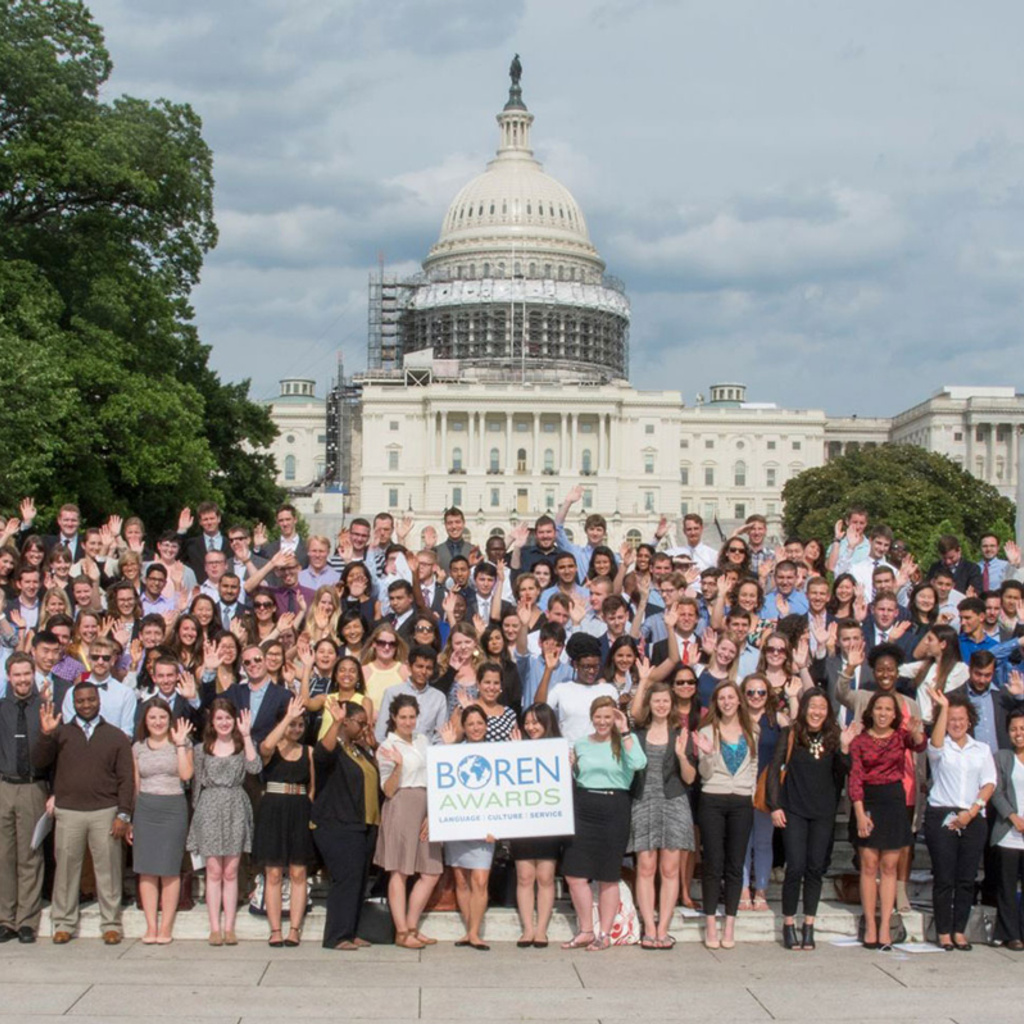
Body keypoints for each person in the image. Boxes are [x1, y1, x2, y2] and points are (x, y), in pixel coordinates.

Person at [33, 681, 134, 945]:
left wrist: (123, 814)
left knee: (109, 871)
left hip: (105, 811)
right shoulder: (60, 732)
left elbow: (126, 779)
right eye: (80, 701)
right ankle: (63, 923)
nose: (86, 705)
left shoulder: (115, 736)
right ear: (73, 703)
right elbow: (40, 762)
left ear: (98, 700)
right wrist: (45, 735)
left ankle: (111, 923)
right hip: (69, 812)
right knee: (66, 870)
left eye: (90, 700)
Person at [768, 688, 854, 951]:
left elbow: (844, 771)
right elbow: (774, 770)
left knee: (815, 868)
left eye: (822, 707)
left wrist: (845, 748)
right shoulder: (791, 734)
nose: (816, 712)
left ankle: (809, 924)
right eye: (812, 706)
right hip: (794, 809)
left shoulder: (833, 737)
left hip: (823, 812)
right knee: (795, 867)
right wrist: (775, 806)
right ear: (804, 708)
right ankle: (789, 923)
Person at [561, 695, 647, 951]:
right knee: (574, 874)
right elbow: (577, 776)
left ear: (615, 718)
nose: (602, 721)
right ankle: (586, 929)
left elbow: (640, 763)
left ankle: (605, 934)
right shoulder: (580, 744)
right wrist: (571, 767)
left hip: (614, 807)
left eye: (607, 717)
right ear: (591, 717)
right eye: (598, 717)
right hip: (584, 807)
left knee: (608, 875)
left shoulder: (626, 742)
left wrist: (625, 730)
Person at [849, 691, 926, 950]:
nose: (883, 713)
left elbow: (920, 745)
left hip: (894, 800)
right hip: (868, 802)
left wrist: (916, 733)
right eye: (879, 708)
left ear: (895, 714)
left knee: (890, 866)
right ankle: (870, 924)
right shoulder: (859, 741)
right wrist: (859, 813)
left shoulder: (899, 737)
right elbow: (856, 778)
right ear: (871, 711)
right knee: (869, 864)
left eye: (888, 709)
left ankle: (885, 926)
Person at [923, 688, 996, 951]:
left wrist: (972, 811)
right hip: (942, 813)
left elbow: (989, 782)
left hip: (973, 815)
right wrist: (943, 708)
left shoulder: (982, 749)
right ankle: (943, 930)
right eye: (952, 719)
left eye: (961, 718)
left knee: (966, 878)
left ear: (970, 720)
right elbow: (936, 745)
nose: (957, 723)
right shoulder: (941, 748)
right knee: (944, 876)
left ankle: (959, 930)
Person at [187, 700, 262, 946]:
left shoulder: (242, 746)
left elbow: (255, 767)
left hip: (235, 804)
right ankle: (214, 927)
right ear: (212, 721)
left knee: (230, 871)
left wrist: (247, 735)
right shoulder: (201, 749)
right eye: (219, 718)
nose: (224, 723)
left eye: (228, 718)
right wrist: (197, 817)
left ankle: (229, 927)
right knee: (213, 870)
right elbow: (195, 783)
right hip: (209, 806)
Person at [630, 680, 696, 949]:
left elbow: (690, 779)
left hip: (674, 802)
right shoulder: (638, 733)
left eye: (665, 700)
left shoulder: (680, 732)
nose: (660, 704)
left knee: (669, 869)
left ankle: (663, 928)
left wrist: (681, 756)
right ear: (649, 703)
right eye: (655, 700)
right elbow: (633, 714)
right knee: (645, 868)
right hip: (643, 801)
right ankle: (648, 926)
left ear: (671, 704)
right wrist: (644, 682)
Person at [374, 694, 443, 949]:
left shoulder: (423, 741)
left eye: (412, 717)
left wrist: (431, 813)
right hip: (401, 804)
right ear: (393, 718)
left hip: (425, 805)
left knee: (431, 870)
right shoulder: (386, 747)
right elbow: (388, 790)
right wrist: (398, 767)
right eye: (403, 717)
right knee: (400, 870)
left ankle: (412, 925)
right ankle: (401, 931)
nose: (407, 722)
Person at [693, 679, 758, 949]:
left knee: (735, 863)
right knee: (713, 863)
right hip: (713, 798)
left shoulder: (752, 730)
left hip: (741, 802)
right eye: (722, 698)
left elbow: (754, 767)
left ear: (739, 700)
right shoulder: (707, 730)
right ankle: (710, 922)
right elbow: (704, 774)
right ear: (716, 703)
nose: (727, 702)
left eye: (731, 697)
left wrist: (750, 794)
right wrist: (707, 755)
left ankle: (729, 922)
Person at [312, 700, 380, 950]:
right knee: (346, 879)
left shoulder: (358, 750)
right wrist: (336, 722)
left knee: (360, 881)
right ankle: (336, 936)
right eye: (361, 723)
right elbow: (322, 754)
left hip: (364, 824)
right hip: (338, 824)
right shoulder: (335, 748)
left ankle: (351, 931)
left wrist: (372, 746)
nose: (365, 727)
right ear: (346, 721)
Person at [254, 696, 316, 948]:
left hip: (299, 809)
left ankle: (294, 928)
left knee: (299, 871)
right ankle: (275, 929)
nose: (296, 729)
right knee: (273, 873)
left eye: (301, 725)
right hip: (273, 810)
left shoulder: (308, 751)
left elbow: (312, 787)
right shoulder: (271, 748)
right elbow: (265, 746)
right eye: (292, 724)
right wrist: (287, 717)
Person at [130, 700, 194, 944]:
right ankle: (150, 926)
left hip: (173, 807)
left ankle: (166, 926)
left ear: (170, 720)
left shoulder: (183, 742)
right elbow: (136, 784)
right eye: (152, 718)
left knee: (169, 869)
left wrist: (179, 745)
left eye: (162, 717)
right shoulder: (137, 748)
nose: (158, 722)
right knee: (146, 869)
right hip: (146, 808)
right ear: (145, 721)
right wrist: (133, 819)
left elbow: (187, 775)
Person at [440, 705, 499, 950]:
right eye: (471, 724)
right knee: (461, 880)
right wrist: (448, 749)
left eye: (479, 723)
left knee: (480, 880)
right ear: (464, 727)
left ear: (486, 725)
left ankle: (475, 932)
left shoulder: (498, 753)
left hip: (486, 828)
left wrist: (498, 825)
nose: (475, 728)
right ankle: (469, 930)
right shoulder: (454, 751)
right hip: (459, 826)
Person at [0, 653, 48, 943]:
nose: (22, 680)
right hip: (5, 786)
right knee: (4, 855)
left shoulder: (45, 708)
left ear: (33, 675)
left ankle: (28, 920)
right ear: (9, 677)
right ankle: (6, 918)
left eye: (26, 674)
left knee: (30, 854)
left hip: (34, 786)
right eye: (16, 675)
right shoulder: (1, 708)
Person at [510, 702, 563, 948]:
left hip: (548, 822)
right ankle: (527, 929)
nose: (531, 727)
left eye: (535, 722)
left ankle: (541, 929)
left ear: (547, 722)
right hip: (522, 822)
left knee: (545, 876)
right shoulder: (516, 749)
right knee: (524, 876)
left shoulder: (559, 750)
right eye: (527, 722)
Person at [991, 707, 1024, 949]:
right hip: (1009, 834)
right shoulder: (1002, 757)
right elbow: (996, 791)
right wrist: (1013, 817)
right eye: (1013, 729)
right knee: (1007, 886)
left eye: (1022, 728)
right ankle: (1011, 934)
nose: (1018, 733)